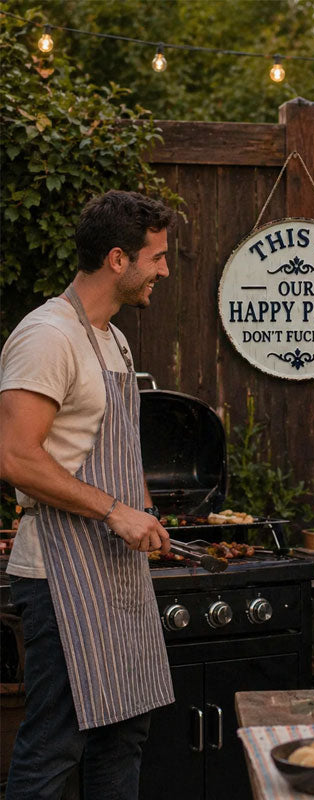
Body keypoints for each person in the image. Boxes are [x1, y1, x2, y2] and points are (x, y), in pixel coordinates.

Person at [0, 190, 177, 800]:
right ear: (118, 258)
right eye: (157, 258)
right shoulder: (47, 335)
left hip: (115, 569)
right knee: (55, 748)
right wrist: (112, 510)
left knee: (123, 736)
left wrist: (146, 511)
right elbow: (16, 456)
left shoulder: (113, 340)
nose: (165, 270)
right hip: (58, 576)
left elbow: (120, 446)